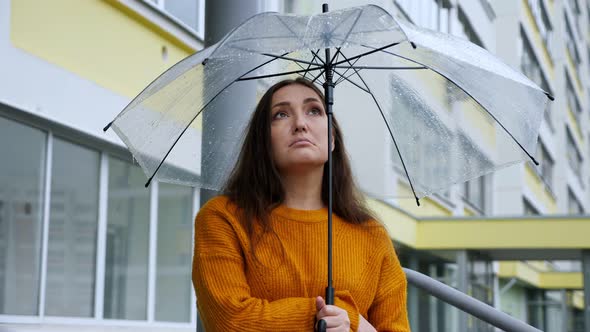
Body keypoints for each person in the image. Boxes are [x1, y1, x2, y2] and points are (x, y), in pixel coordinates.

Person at [192, 77, 409, 331]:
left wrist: (353, 325)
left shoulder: (371, 234)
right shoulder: (223, 218)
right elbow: (229, 322)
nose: (300, 124)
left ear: (332, 139)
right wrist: (332, 315)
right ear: (263, 140)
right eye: (281, 114)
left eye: (314, 110)